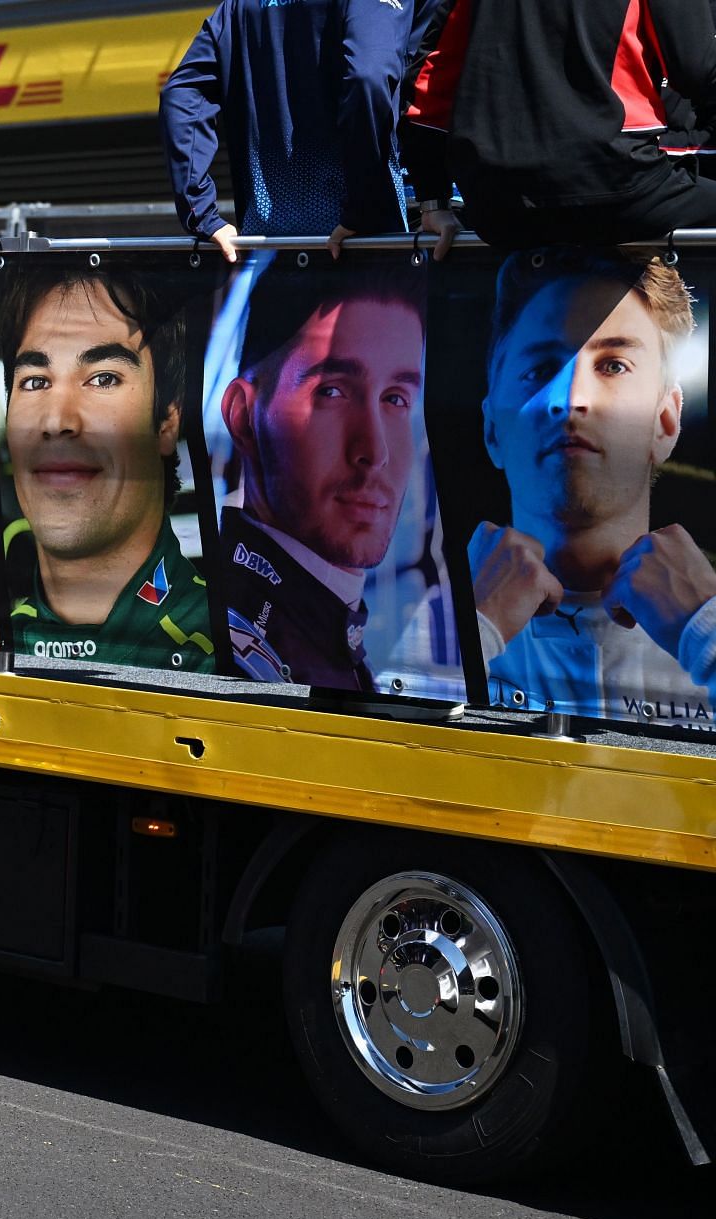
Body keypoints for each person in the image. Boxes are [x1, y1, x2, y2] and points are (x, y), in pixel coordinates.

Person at [469, 250, 716, 724]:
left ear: (665, 422)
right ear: (492, 430)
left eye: (614, 366)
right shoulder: (387, 616)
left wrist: (705, 628)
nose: (572, 400)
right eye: (540, 370)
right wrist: (472, 626)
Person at [214, 260, 427, 689]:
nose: (375, 451)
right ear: (243, 417)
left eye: (396, 399)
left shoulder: (324, 623)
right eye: (332, 392)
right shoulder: (240, 647)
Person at [0, 266, 213, 672]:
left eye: (103, 378)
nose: (57, 420)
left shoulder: (225, 654)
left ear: (168, 418)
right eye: (35, 381)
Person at [406, 1, 716, 248]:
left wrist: (433, 202)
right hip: (616, 187)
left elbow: (428, 86)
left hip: (497, 204)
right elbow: (697, 70)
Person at [159, 0, 446, 262]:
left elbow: (181, 94)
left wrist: (201, 214)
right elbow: (368, 78)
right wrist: (365, 209)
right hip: (361, 248)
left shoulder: (238, 6)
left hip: (265, 254)